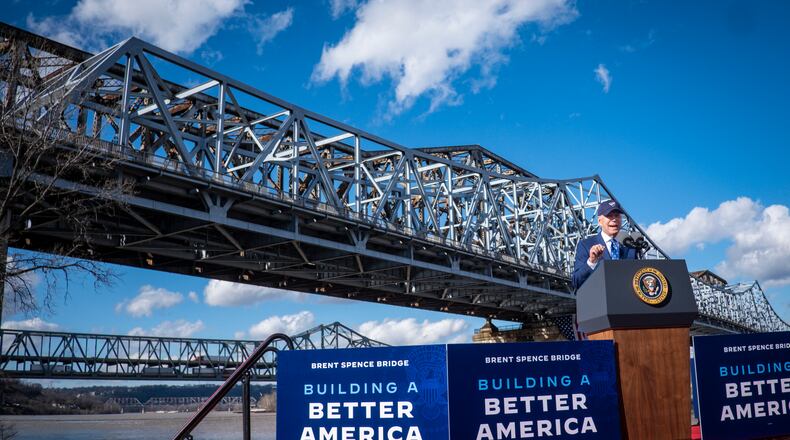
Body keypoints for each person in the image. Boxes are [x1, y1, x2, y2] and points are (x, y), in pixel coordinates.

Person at [572, 200, 639, 289]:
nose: (614, 219)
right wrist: (592, 261)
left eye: (617, 215)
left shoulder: (631, 245)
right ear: (600, 221)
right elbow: (576, 282)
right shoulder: (585, 245)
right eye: (609, 216)